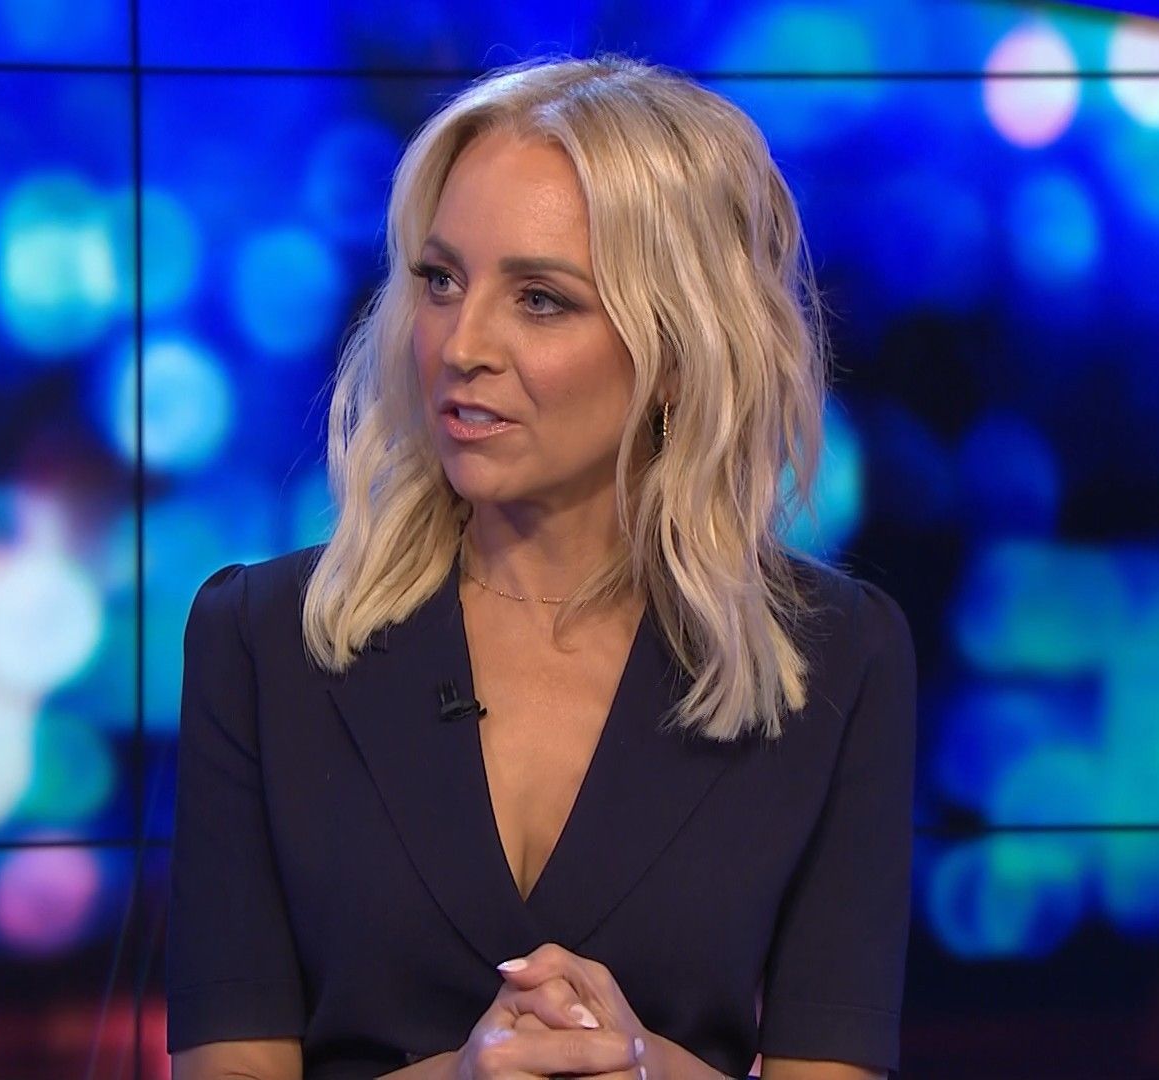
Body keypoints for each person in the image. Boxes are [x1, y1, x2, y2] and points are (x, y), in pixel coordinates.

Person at [168, 53, 915, 1080]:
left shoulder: (834, 661)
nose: (460, 344)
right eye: (441, 281)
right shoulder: (264, 641)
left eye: (541, 299)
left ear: (679, 351)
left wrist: (638, 1066)